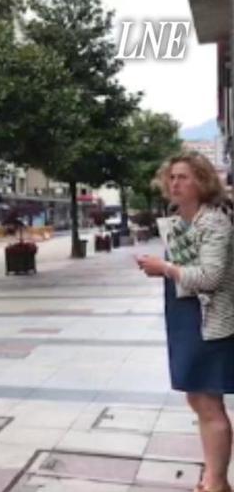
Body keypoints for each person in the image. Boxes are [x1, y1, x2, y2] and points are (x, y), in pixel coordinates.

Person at [136, 153, 234, 492]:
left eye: (184, 177)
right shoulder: (181, 222)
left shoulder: (214, 222)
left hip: (209, 321)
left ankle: (217, 483)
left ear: (202, 182)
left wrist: (163, 268)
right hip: (186, 318)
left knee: (208, 402)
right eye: (171, 177)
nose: (174, 184)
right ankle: (212, 475)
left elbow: (209, 277)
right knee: (198, 399)